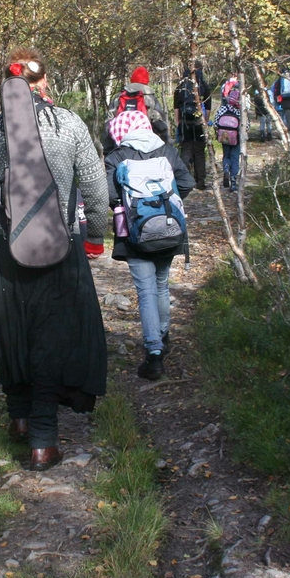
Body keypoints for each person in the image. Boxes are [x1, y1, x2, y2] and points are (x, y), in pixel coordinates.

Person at [0, 48, 110, 472]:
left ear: (7, 90)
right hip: (60, 249)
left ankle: (20, 418)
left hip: (8, 254)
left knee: (13, 334)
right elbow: (97, 190)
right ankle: (44, 442)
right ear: (43, 83)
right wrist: (96, 237)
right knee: (51, 340)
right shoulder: (68, 123)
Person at [104, 111, 194, 380]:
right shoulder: (167, 151)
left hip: (134, 234)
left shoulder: (116, 157)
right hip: (168, 227)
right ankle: (163, 337)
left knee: (146, 291)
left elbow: (109, 195)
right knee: (162, 284)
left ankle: (154, 354)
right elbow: (187, 183)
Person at [103, 66, 170, 151]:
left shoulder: (119, 98)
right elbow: (160, 124)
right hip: (145, 148)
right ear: (146, 81)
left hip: (120, 147)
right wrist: (166, 145)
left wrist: (107, 150)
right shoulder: (151, 99)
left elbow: (108, 125)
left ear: (132, 79)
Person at [173, 66, 210, 189]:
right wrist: (205, 121)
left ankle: (185, 181)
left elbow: (176, 106)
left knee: (186, 150)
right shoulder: (203, 85)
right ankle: (200, 181)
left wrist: (178, 121)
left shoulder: (181, 86)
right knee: (199, 153)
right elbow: (208, 107)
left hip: (185, 123)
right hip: (199, 123)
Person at [213, 76, 244, 192]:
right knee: (235, 158)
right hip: (236, 137)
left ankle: (226, 167)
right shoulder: (240, 111)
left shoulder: (223, 109)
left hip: (224, 136)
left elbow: (216, 122)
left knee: (226, 155)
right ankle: (234, 182)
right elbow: (247, 126)